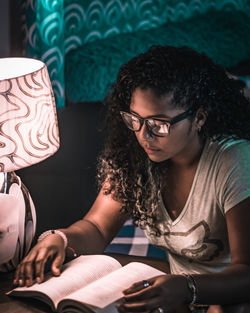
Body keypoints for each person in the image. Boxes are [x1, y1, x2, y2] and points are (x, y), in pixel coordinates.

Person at [14, 46, 250, 313]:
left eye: (158, 124)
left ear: (199, 118)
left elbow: (246, 272)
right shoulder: (135, 158)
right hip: (177, 295)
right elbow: (97, 228)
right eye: (134, 119)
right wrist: (60, 238)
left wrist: (188, 288)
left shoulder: (233, 160)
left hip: (227, 295)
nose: (143, 136)